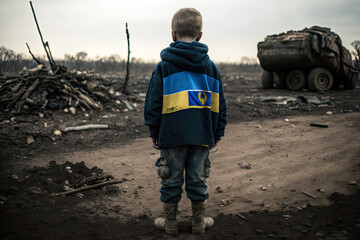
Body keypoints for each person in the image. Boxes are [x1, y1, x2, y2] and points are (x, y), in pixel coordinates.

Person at [144, 8, 227, 235]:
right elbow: (220, 105)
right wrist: (217, 133)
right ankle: (198, 223)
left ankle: (170, 224)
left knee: (170, 179)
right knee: (198, 178)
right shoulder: (211, 68)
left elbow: (153, 102)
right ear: (199, 35)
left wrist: (154, 130)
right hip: (202, 135)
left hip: (172, 135)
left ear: (173, 34)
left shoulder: (164, 67)